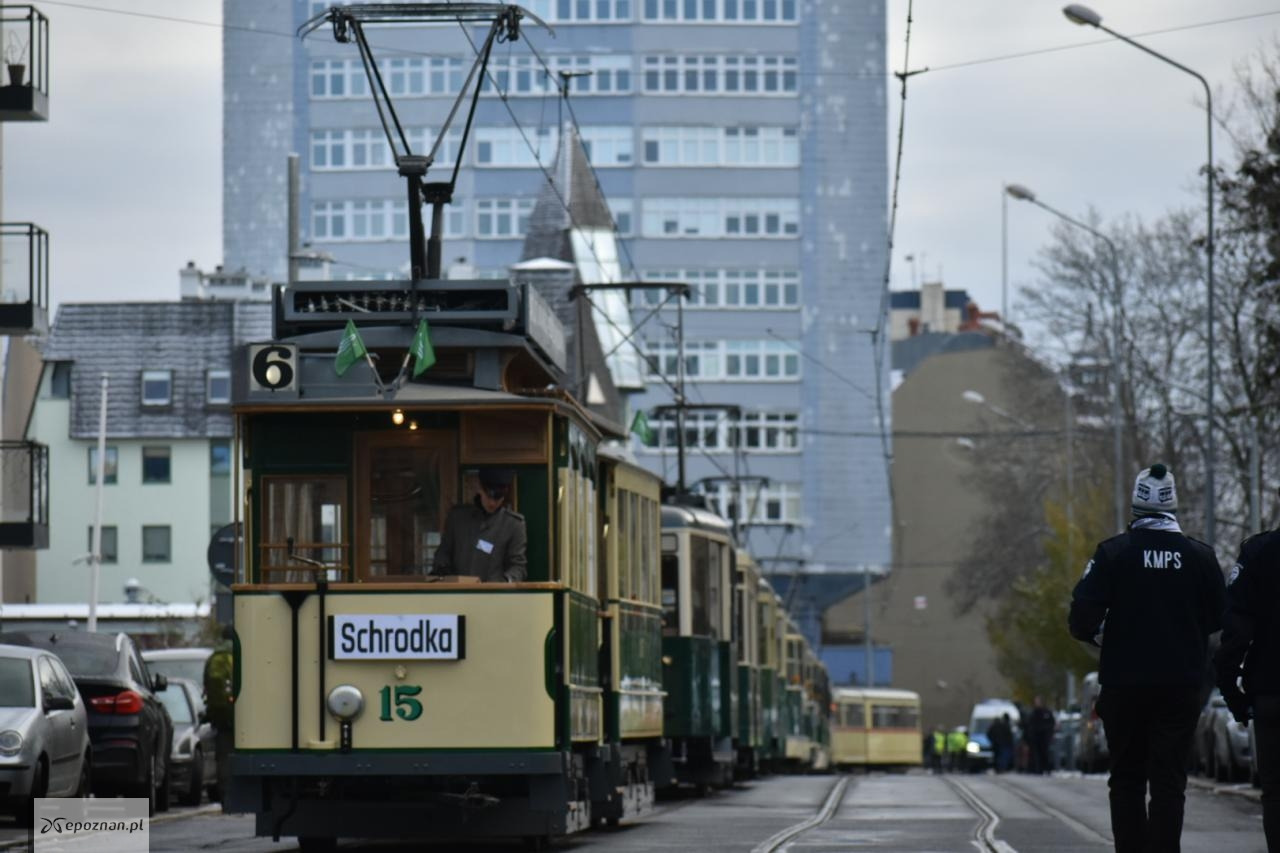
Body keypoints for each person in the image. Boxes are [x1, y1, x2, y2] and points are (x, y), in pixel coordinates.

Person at [1069, 463, 1226, 853]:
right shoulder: (1200, 558)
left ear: (1135, 507)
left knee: (1126, 779)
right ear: (1173, 506)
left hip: (1125, 686)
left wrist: (1107, 635)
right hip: (1180, 686)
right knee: (1169, 782)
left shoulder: (1113, 554)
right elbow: (1220, 617)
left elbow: (1080, 618)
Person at [1213, 506, 1280, 851]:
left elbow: (1236, 630)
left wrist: (1230, 689)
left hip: (1271, 689)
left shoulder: (1259, 553)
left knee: (1275, 792)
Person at [432, 467, 527, 583]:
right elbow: (443, 553)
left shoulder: (514, 525)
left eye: (498, 498)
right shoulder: (457, 518)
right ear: (480, 488)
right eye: (488, 496)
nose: (492, 503)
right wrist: (443, 570)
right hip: (457, 593)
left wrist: (505, 581)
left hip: (494, 595)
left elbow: (518, 567)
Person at [1028, 696, 1056, 775]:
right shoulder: (1034, 713)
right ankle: (1039, 769)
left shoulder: (1047, 712)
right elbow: (1030, 725)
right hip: (1037, 738)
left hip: (1045, 737)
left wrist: (1048, 732)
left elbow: (1051, 723)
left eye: (1038, 701)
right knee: (1037, 754)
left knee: (1046, 753)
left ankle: (1047, 768)